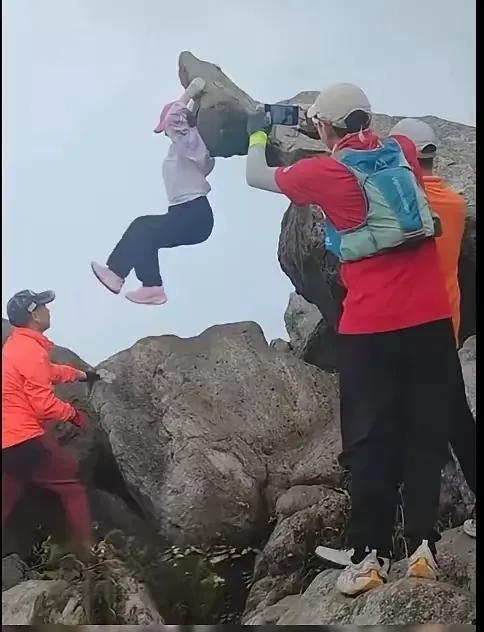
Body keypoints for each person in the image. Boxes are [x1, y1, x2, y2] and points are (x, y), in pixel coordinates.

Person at [246, 84, 461, 596]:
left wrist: (258, 131)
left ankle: (368, 557)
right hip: (430, 317)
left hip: (371, 327)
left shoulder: (326, 172)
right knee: (424, 431)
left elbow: (256, 176)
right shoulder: (402, 151)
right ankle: (423, 548)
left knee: (368, 438)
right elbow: (387, 138)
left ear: (326, 129)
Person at [390, 118, 476, 539]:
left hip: (411, 325)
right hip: (447, 325)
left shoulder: (407, 202)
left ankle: (416, 538)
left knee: (417, 430)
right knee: (458, 420)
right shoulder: (454, 203)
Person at [91, 77, 215, 305]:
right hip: (187, 214)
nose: (167, 132)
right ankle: (147, 286)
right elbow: (176, 122)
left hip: (194, 214)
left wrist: (190, 92)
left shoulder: (191, 144)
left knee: (143, 227)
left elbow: (176, 119)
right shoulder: (184, 148)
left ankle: (124, 276)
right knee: (145, 233)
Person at [2, 289, 99, 560]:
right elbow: (43, 405)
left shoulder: (17, 347)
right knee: (72, 486)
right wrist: (75, 416)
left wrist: (83, 375)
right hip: (24, 440)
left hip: (8, 441)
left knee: (10, 492)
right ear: (34, 314)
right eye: (44, 306)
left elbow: (51, 372)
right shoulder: (28, 350)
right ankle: (87, 552)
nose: (49, 310)